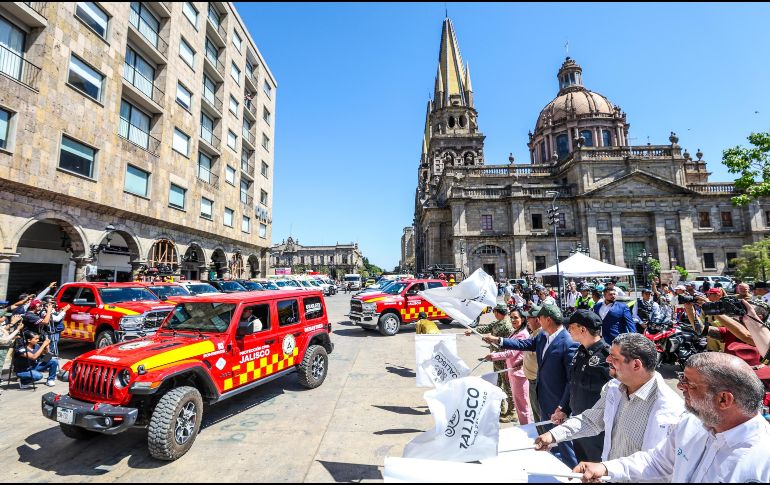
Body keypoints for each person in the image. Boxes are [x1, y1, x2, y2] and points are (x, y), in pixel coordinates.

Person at [574, 353, 770, 483]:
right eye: (682, 378)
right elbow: (657, 462)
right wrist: (606, 468)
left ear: (724, 399)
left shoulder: (763, 460)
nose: (680, 387)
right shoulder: (691, 424)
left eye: (690, 384)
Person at [536, 332, 684, 468]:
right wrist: (553, 435)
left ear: (636, 365)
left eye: (614, 357)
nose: (607, 359)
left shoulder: (669, 409)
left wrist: (606, 470)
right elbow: (592, 420)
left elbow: (657, 465)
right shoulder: (614, 387)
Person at [485, 303, 580, 468]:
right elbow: (524, 344)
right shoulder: (543, 335)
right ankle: (555, 465)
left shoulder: (568, 342)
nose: (536, 321)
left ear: (548, 319)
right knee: (548, 438)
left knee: (564, 442)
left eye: (539, 318)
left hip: (558, 402)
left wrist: (563, 406)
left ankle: (574, 471)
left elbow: (571, 380)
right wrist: (499, 340)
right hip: (543, 396)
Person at [551, 310, 612, 462]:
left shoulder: (607, 357)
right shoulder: (581, 352)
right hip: (578, 425)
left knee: (596, 469)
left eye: (571, 327)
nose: (568, 330)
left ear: (583, 329)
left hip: (597, 431)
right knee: (582, 466)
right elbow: (573, 383)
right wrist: (564, 408)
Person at [468, 303, 516, 422]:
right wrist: (472, 330)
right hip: (496, 360)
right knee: (498, 385)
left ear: (498, 312)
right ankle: (500, 409)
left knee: (508, 387)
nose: (494, 314)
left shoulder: (508, 326)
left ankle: (512, 412)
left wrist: (492, 340)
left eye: (494, 312)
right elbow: (487, 328)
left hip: (504, 361)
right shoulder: (497, 323)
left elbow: (510, 345)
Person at [484, 308, 532, 425]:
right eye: (511, 317)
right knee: (519, 405)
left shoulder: (522, 334)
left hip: (519, 374)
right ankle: (525, 427)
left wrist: (493, 356)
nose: (513, 320)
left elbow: (510, 353)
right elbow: (508, 349)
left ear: (523, 319)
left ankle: (528, 430)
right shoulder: (516, 332)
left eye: (516, 317)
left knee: (523, 407)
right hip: (512, 371)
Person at [521, 306, 543, 423]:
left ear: (537, 319)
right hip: (532, 381)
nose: (527, 320)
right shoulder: (534, 333)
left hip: (538, 383)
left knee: (540, 415)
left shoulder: (541, 336)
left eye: (529, 318)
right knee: (536, 414)